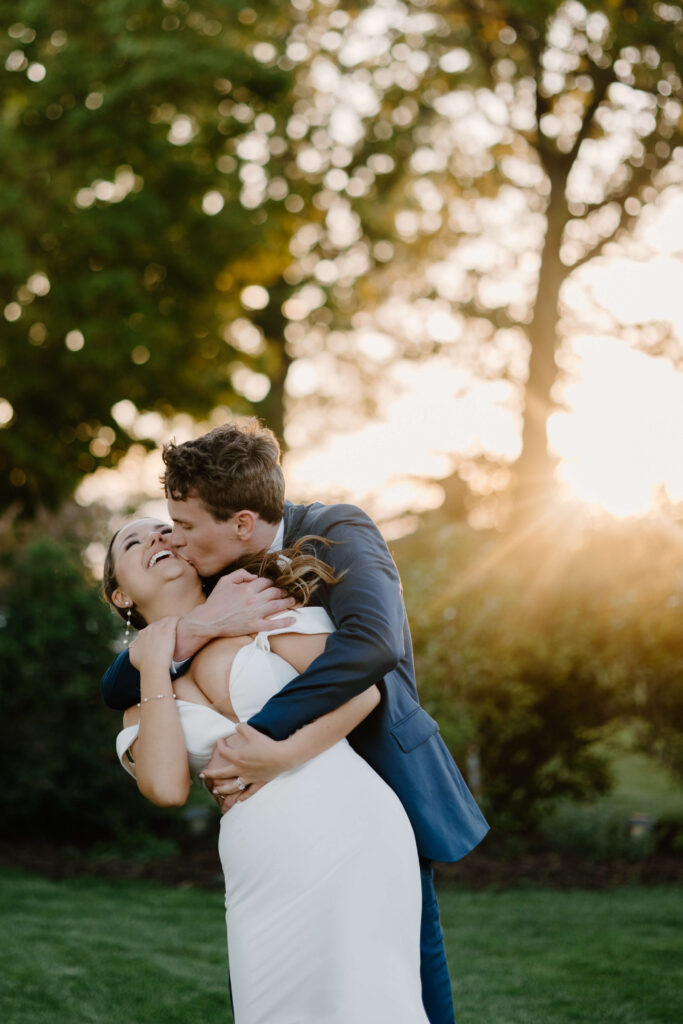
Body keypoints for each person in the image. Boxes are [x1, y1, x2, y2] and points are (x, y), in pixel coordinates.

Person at [101, 420, 489, 1024]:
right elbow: (120, 690)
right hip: (263, 855)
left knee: (403, 980)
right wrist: (185, 637)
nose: (171, 541)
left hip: (368, 788)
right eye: (158, 533)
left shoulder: (328, 540)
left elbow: (370, 652)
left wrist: (265, 747)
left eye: (178, 528)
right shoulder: (218, 589)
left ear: (241, 525)